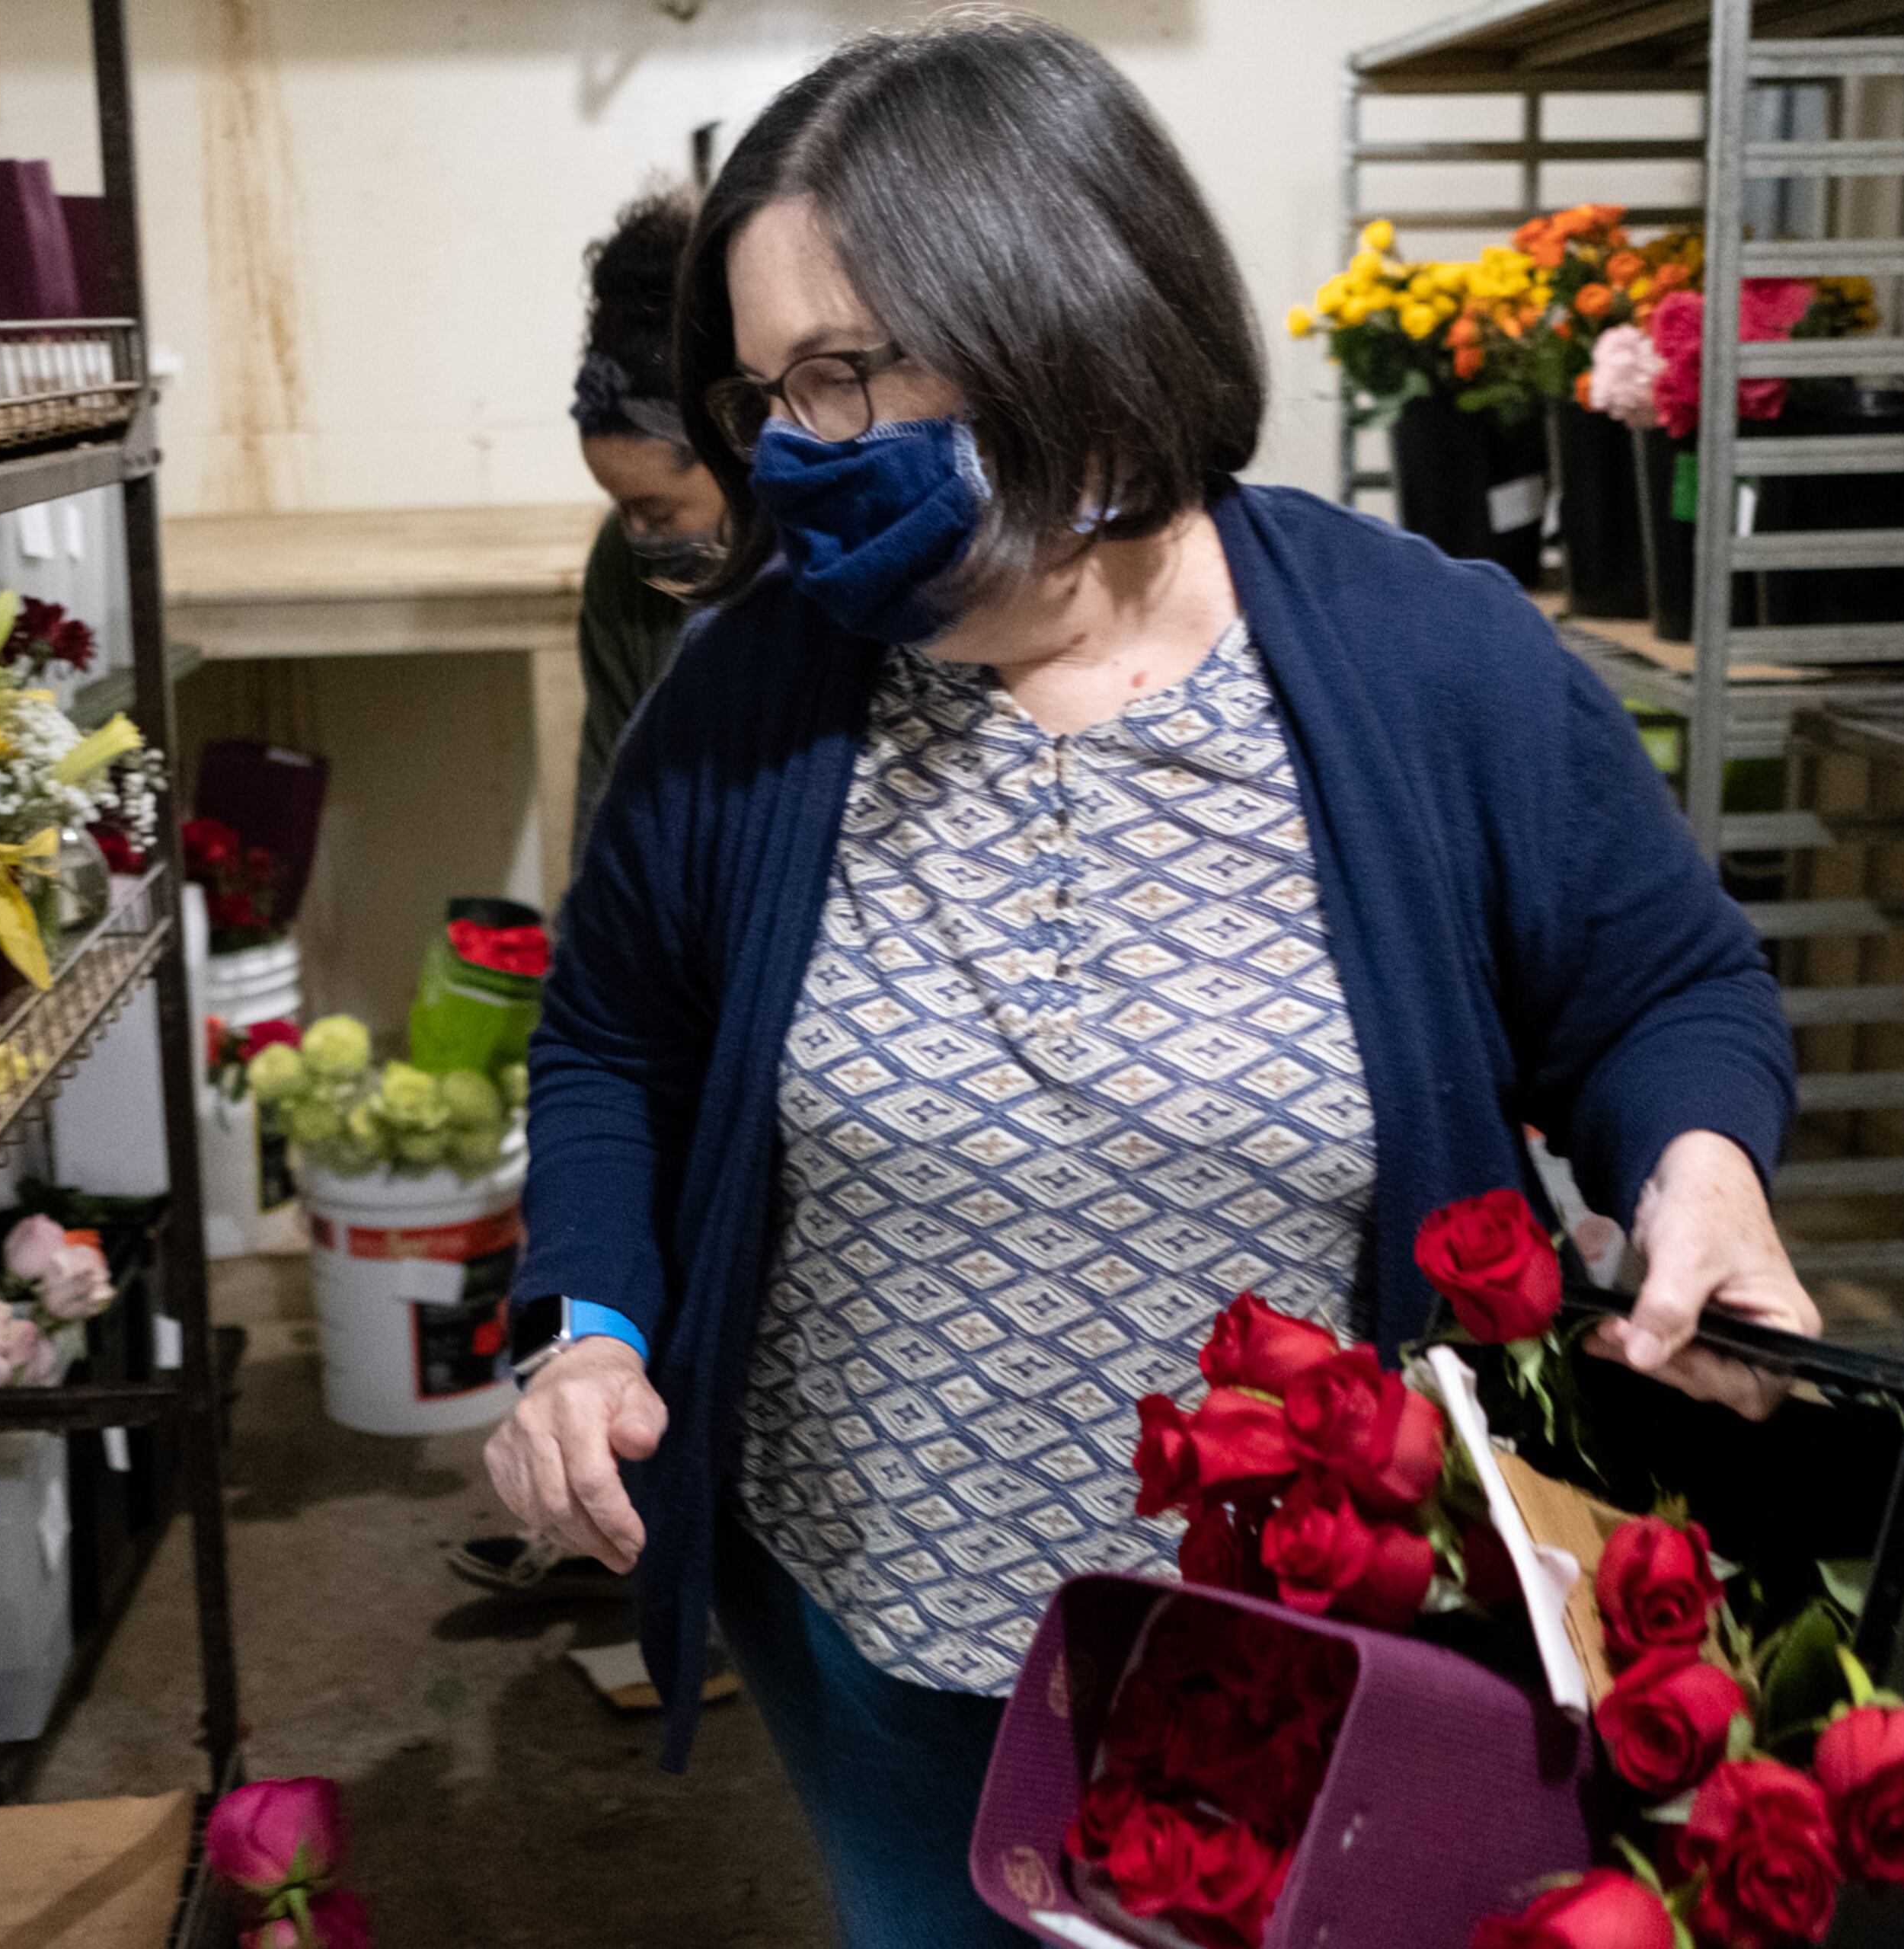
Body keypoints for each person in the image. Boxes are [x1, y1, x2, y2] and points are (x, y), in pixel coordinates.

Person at [490, 21, 1814, 1948]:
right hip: (872, 1617)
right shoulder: (755, 688)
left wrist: (1696, 1158)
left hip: (1317, 1640)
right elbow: (614, 1036)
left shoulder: (1419, 660)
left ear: (1065, 314)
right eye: (770, 389)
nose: (800, 449)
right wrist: (587, 1324)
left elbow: (1655, 990)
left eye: (852, 371)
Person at [567, 187, 723, 870]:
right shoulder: (623, 571)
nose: (635, 534)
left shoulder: (824, 571)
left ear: (734, 450)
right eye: (617, 504)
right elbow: (606, 801)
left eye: (656, 511)